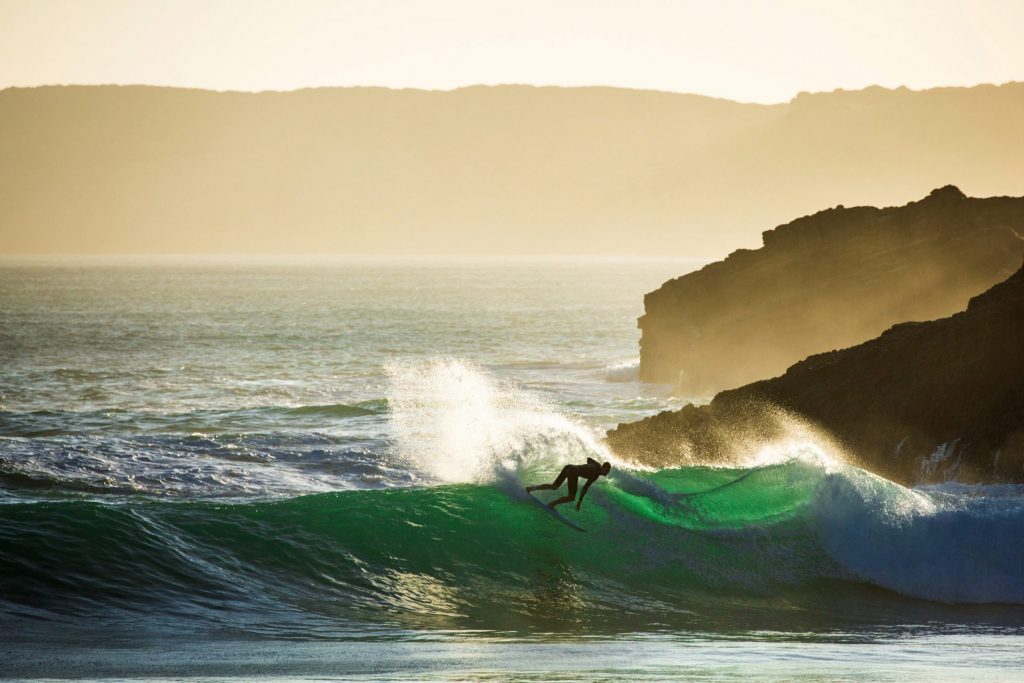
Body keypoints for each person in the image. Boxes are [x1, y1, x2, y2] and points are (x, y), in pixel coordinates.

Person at [526, 457, 611, 511]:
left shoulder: (596, 465)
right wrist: (579, 502)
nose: (607, 473)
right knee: (571, 497)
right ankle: (552, 504)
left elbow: (589, 459)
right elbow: (585, 488)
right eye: (606, 470)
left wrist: (590, 466)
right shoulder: (595, 475)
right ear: (603, 468)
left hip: (569, 467)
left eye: (608, 471)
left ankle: (531, 488)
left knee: (554, 486)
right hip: (573, 472)